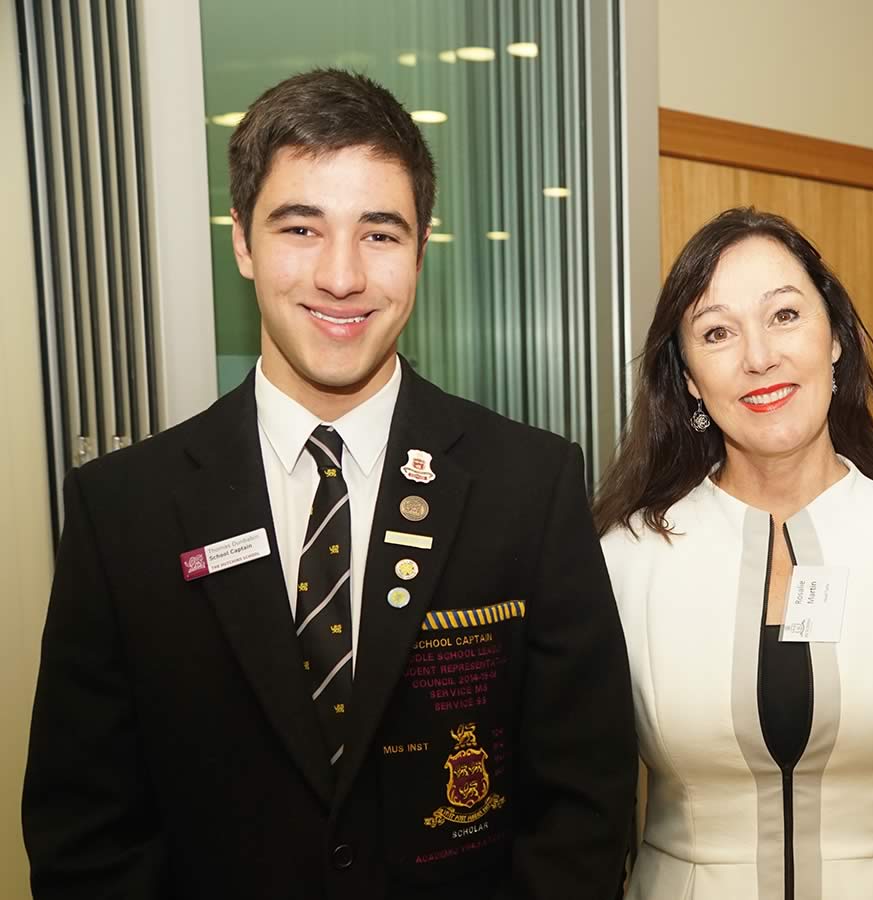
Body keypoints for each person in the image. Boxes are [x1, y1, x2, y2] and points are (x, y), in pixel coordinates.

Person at [22, 69, 637, 899]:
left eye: (380, 234)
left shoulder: (530, 487)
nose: (341, 276)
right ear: (242, 240)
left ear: (423, 247)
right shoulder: (122, 512)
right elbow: (86, 836)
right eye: (301, 229)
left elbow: (582, 810)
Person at [593, 207, 873, 900]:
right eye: (717, 332)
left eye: (784, 316)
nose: (759, 357)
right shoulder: (624, 561)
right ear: (688, 377)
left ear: (834, 338)